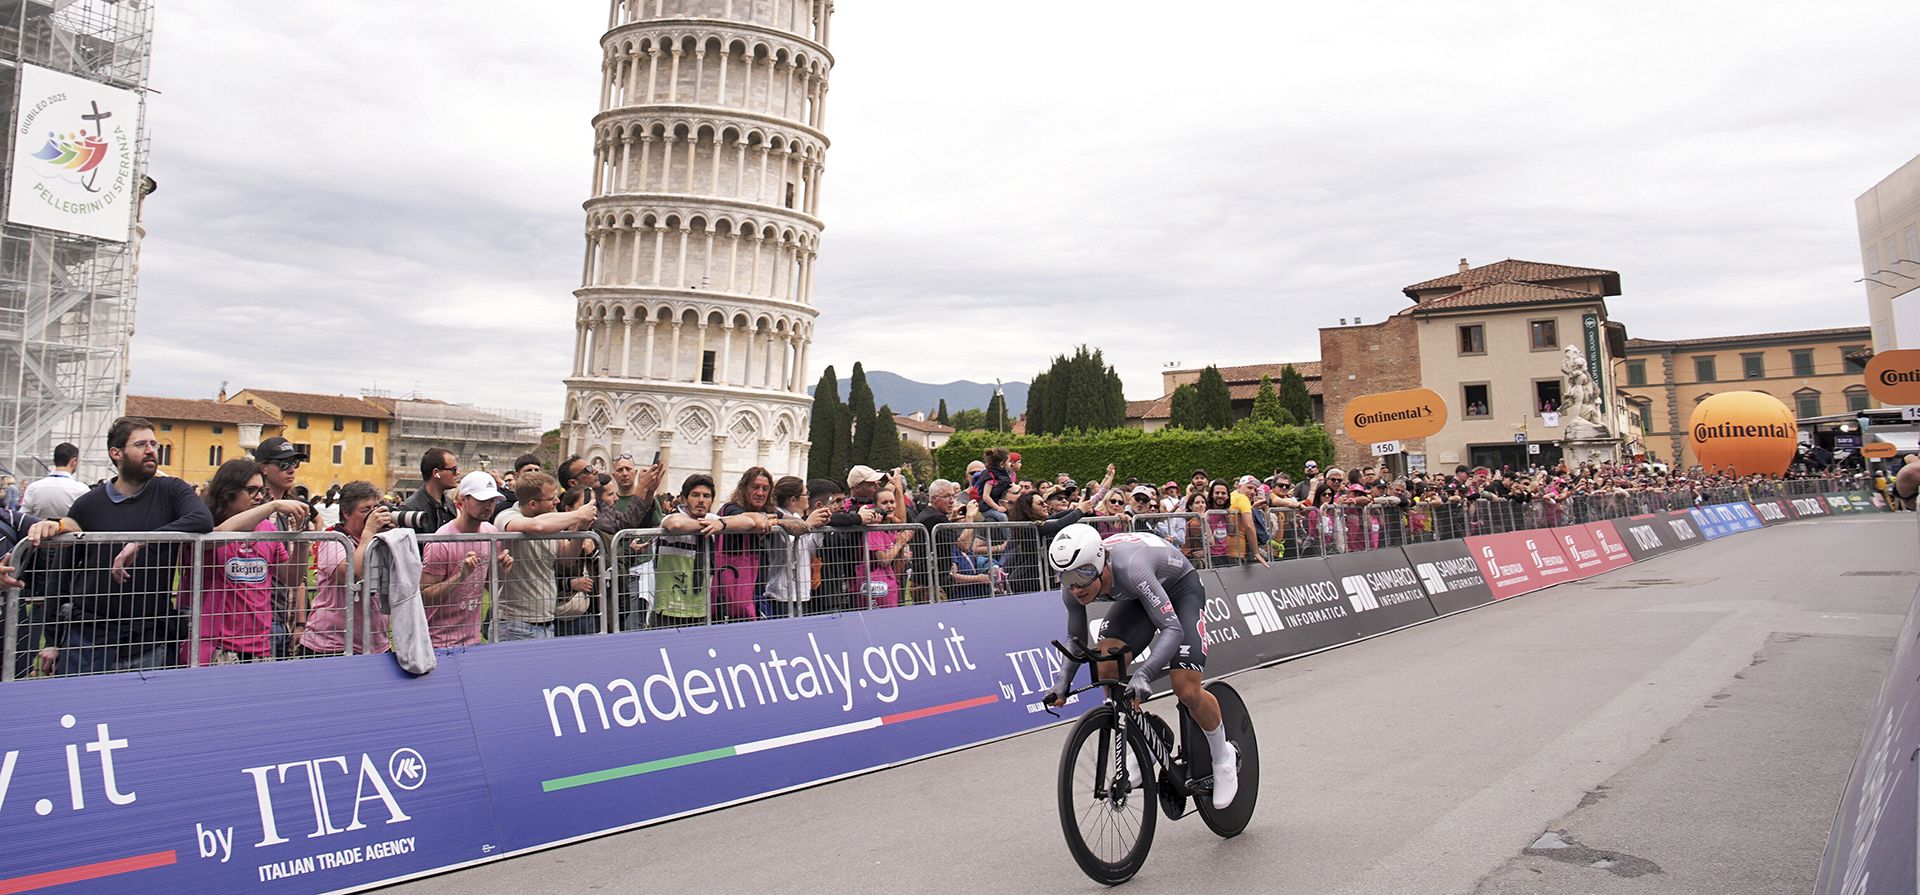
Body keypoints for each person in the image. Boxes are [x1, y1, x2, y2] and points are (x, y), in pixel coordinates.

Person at [1042, 524, 1240, 809]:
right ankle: (1145, 737)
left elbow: (1172, 628)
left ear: (1099, 563)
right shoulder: (1072, 587)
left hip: (1180, 590)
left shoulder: (1131, 567)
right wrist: (1062, 682)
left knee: (1185, 687)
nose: (1075, 587)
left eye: (1082, 575)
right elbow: (1074, 639)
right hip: (1139, 596)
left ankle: (1223, 757)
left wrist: (1145, 674)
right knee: (1107, 665)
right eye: (1065, 577)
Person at [43, 416, 215, 675]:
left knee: (143, 714)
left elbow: (202, 519)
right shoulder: (89, 503)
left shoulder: (171, 491)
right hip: (88, 640)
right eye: (141, 444)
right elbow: (61, 575)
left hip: (147, 641)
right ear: (116, 453)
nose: (151, 450)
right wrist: (53, 641)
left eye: (154, 444)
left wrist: (141, 541)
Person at [183, 458, 312, 666]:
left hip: (260, 645)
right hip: (215, 646)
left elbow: (291, 579)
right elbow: (218, 535)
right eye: (251, 490)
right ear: (228, 491)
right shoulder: (206, 523)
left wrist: (302, 542)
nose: (259, 497)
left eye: (262, 490)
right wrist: (273, 506)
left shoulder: (267, 530)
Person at [491, 470, 600, 641]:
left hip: (546, 622)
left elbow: (567, 558)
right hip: (515, 623)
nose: (557, 501)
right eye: (551, 498)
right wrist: (578, 514)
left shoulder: (551, 521)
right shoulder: (506, 516)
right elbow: (536, 527)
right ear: (533, 504)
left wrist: (582, 528)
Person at [419, 472, 520, 645]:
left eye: (492, 500)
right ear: (463, 499)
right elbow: (424, 596)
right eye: (481, 500)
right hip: (438, 640)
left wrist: (502, 571)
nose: (489, 506)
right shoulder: (441, 541)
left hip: (472, 637)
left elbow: (491, 585)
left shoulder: (491, 534)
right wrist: (460, 576)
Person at [299, 481, 392, 656]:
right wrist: (368, 533)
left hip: (374, 642)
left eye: (376, 508)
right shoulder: (335, 539)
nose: (373, 515)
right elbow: (351, 575)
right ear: (346, 512)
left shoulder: (379, 539)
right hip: (330, 645)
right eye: (365, 510)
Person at [22, 442, 88, 520]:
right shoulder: (81, 489)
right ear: (74, 461)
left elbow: (23, 517)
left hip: (40, 531)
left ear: (54, 460)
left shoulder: (34, 488)